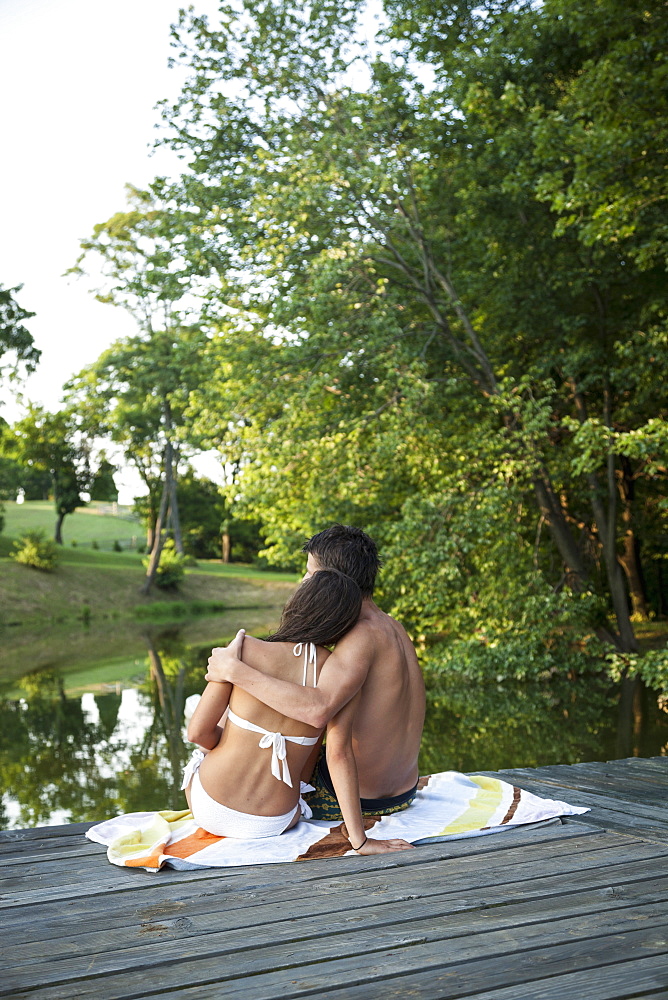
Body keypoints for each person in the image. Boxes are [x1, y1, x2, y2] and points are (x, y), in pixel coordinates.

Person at [183, 566, 413, 855]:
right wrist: (361, 840)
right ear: (342, 624)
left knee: (207, 739)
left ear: (297, 603)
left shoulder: (244, 649)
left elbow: (197, 732)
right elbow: (339, 755)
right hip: (276, 821)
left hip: (210, 808)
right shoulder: (339, 675)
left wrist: (235, 740)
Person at [206, 525, 426, 825]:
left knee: (229, 721)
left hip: (360, 801)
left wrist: (234, 671)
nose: (303, 582)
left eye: (309, 574)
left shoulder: (359, 638)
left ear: (330, 580)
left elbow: (317, 709)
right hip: (404, 790)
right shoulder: (392, 625)